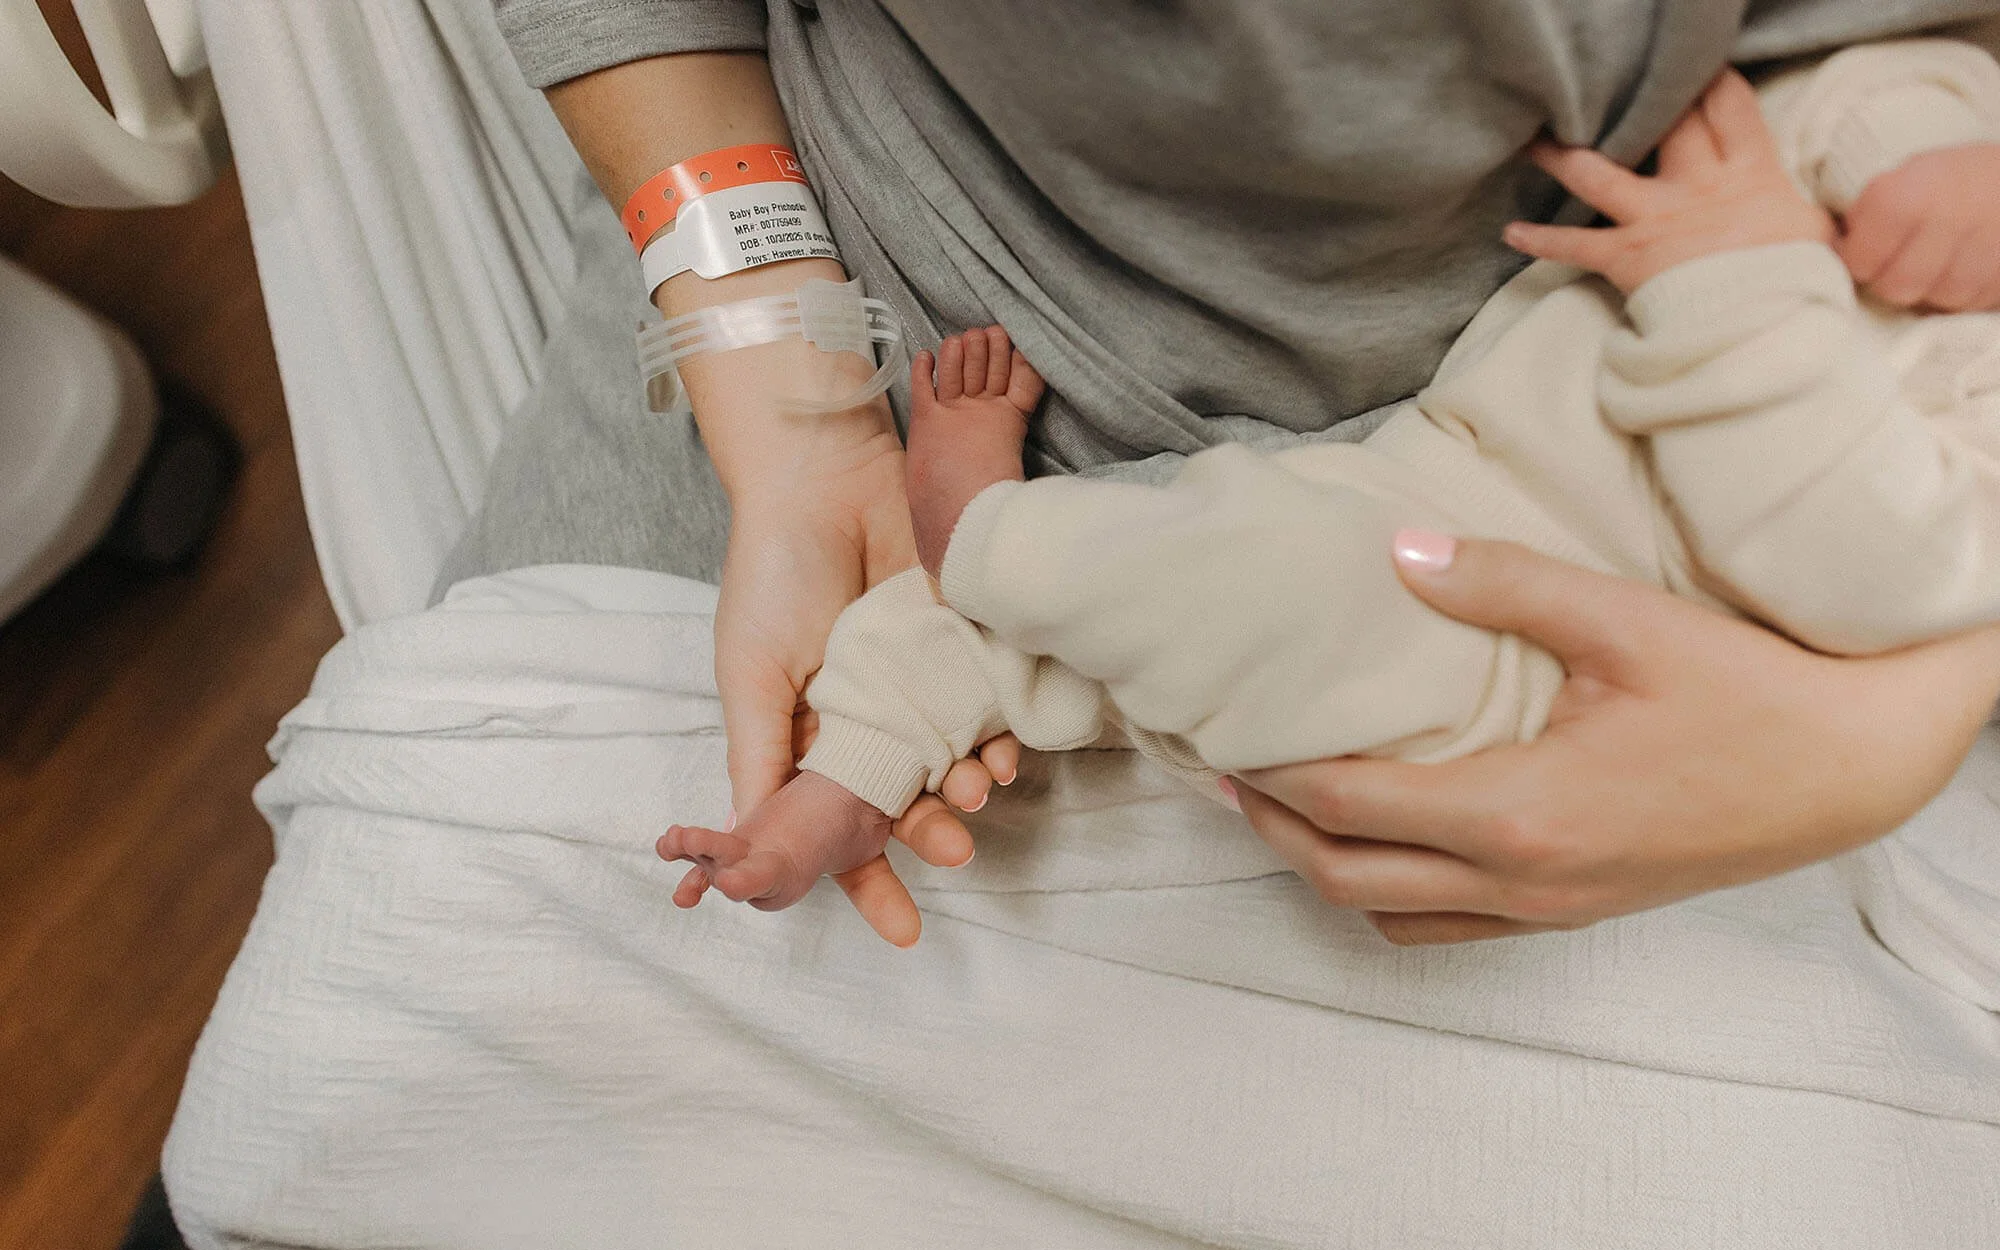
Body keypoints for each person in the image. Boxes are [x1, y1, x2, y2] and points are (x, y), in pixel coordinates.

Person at [469, 1, 2000, 957]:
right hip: (877, 300)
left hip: (1535, 601)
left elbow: (1874, 563)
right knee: (459, 943)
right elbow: (1876, 90)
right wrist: (786, 390)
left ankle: (879, 719)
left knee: (1219, 616)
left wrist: (1890, 732)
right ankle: (892, 701)